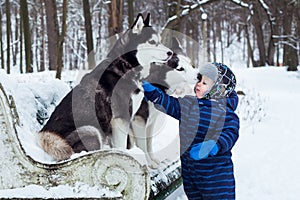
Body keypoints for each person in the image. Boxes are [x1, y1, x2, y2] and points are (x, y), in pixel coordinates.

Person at [142, 62, 239, 200]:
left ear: (220, 90)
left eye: (205, 83)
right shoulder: (188, 105)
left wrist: (213, 145)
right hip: (191, 174)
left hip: (216, 177)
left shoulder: (225, 113)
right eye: (199, 79)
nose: (198, 84)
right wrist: (153, 93)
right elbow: (170, 104)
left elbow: (230, 133)